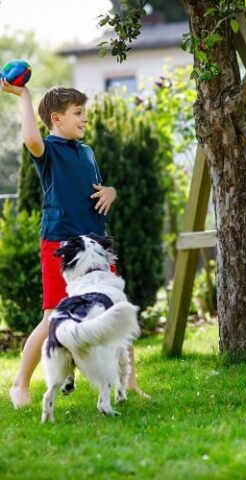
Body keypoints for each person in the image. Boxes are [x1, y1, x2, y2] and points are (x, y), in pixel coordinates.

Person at [1, 81, 148, 407]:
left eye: (84, 112)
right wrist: (24, 94)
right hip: (60, 243)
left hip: (97, 244)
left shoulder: (87, 150)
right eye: (78, 113)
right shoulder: (49, 151)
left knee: (115, 304)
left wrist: (111, 192)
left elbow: (98, 189)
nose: (84, 118)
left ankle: (130, 382)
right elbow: (30, 138)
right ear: (56, 119)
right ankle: (20, 383)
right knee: (53, 315)